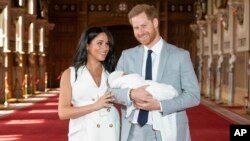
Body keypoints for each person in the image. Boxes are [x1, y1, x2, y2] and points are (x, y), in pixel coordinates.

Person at [111, 4, 200, 141]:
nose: (140, 32)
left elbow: (193, 96)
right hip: (133, 131)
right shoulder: (127, 56)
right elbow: (112, 92)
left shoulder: (180, 56)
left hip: (167, 129)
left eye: (144, 25)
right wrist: (131, 94)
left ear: (155, 22)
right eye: (136, 28)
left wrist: (160, 105)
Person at [58, 27, 120, 141]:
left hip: (110, 130)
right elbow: (63, 112)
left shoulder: (111, 73)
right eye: (99, 43)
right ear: (87, 45)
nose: (105, 48)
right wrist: (94, 106)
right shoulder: (70, 74)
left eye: (107, 44)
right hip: (83, 133)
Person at [108, 70, 178, 140]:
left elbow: (188, 95)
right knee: (155, 90)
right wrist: (131, 94)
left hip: (159, 125)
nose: (127, 74)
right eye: (124, 74)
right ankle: (171, 92)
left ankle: (170, 92)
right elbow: (110, 92)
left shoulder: (179, 59)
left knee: (157, 89)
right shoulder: (125, 62)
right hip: (132, 127)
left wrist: (160, 105)